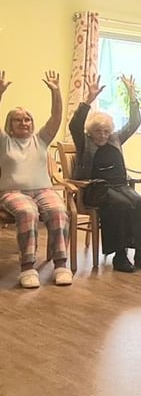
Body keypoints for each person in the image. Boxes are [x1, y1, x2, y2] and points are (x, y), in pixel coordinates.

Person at [68, 73, 141, 273]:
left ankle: (139, 253)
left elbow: (134, 123)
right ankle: (120, 256)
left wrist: (132, 96)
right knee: (121, 204)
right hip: (95, 188)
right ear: (91, 132)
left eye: (106, 131)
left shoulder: (115, 139)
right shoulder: (84, 142)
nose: (103, 135)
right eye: (99, 131)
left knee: (139, 202)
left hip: (120, 185)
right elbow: (74, 125)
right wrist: (89, 99)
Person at [0, 69, 72, 289]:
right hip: (12, 192)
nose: (24, 123)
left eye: (28, 119)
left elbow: (57, 117)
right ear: (10, 125)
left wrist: (56, 92)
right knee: (27, 212)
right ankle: (28, 268)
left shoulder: (40, 139)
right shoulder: (5, 142)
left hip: (43, 190)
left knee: (59, 211)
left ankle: (61, 266)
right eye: (18, 120)